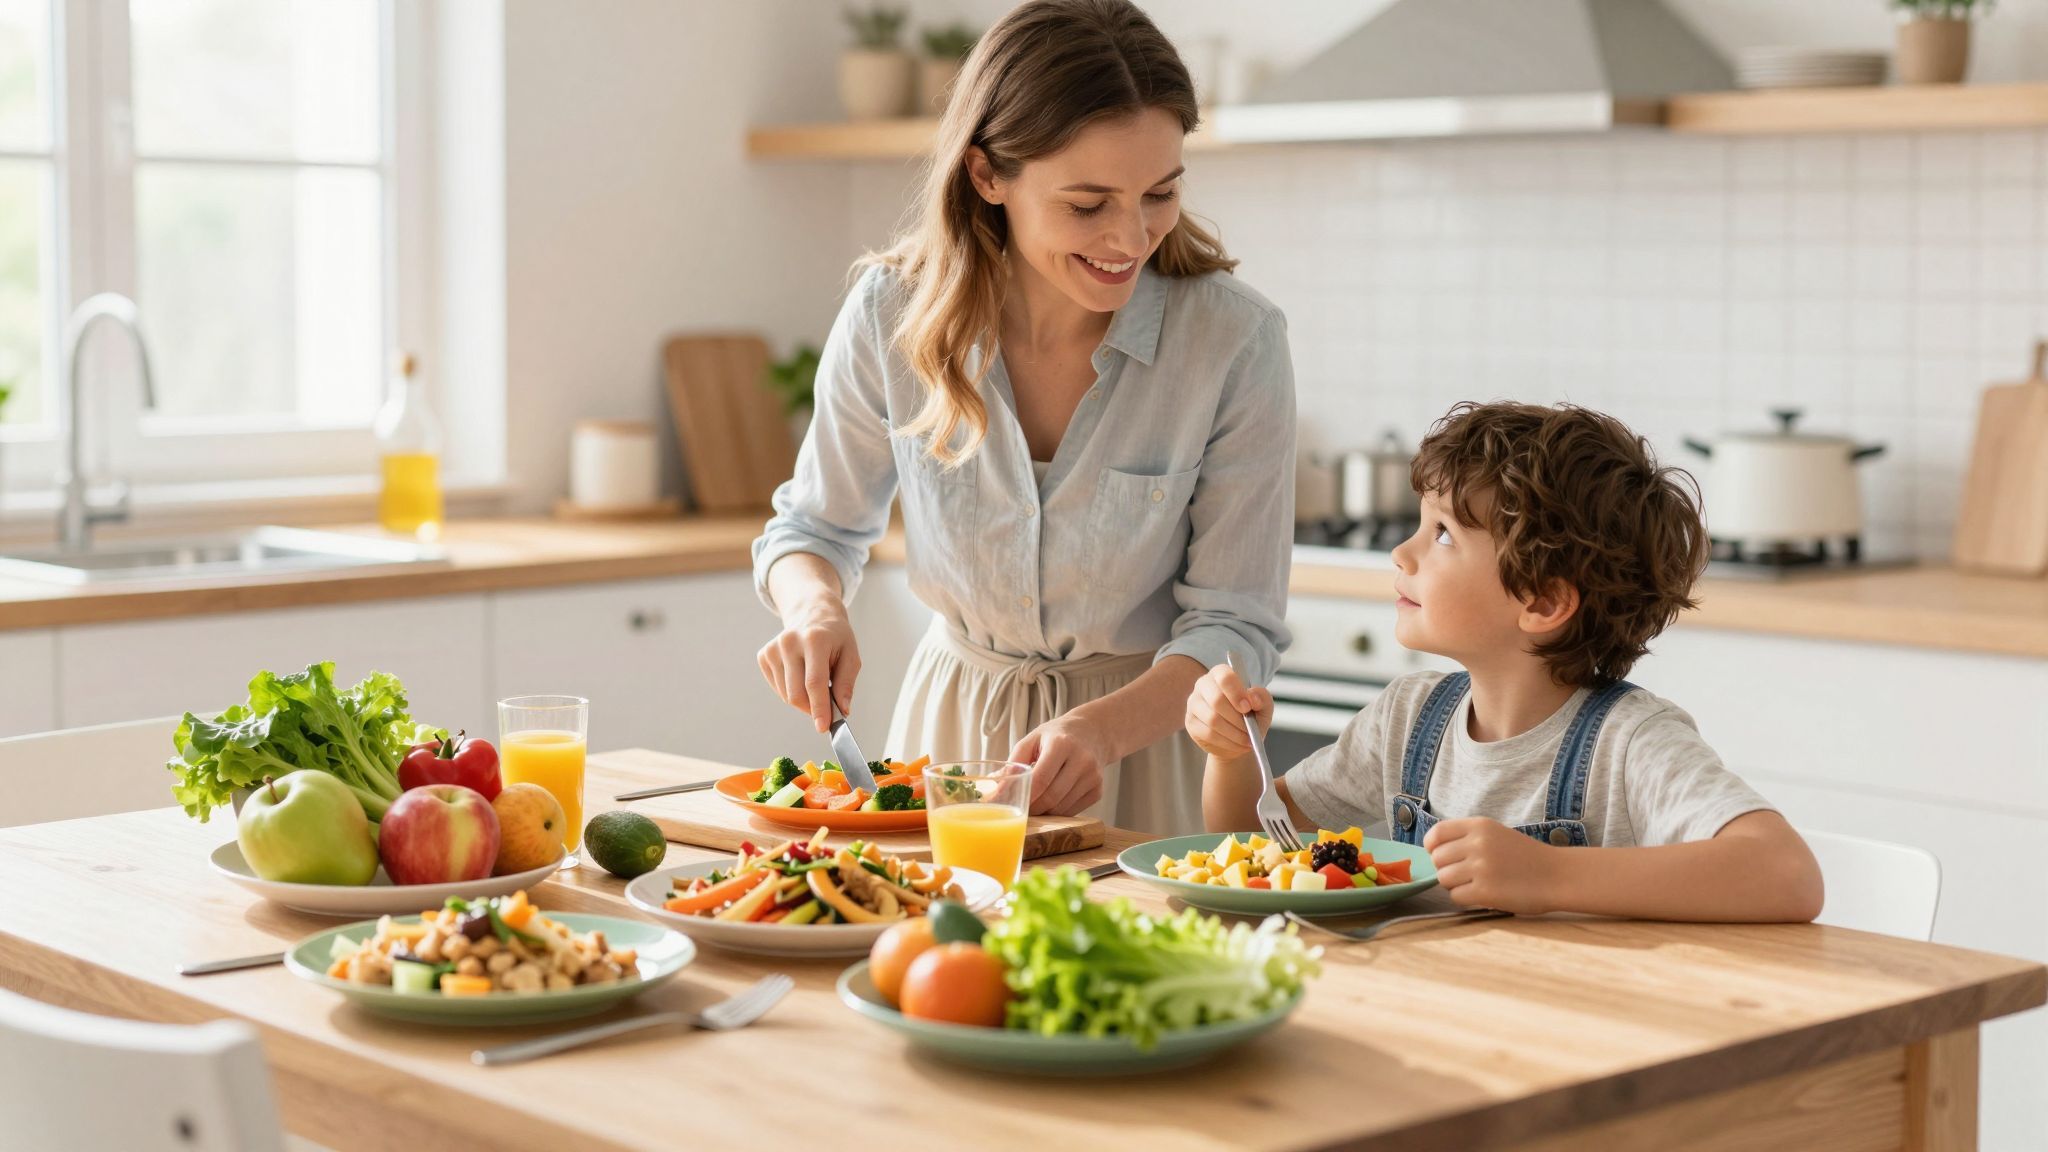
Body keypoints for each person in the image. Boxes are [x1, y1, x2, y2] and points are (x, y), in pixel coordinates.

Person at [750, 0, 1294, 834]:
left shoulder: (1233, 341)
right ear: (986, 175)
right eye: (1087, 204)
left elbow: (1235, 624)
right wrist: (815, 611)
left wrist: (1098, 730)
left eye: (1161, 193)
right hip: (951, 744)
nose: (1131, 236)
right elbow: (813, 531)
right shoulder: (890, 313)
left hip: (1146, 751)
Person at [1187, 401, 1823, 921]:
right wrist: (1234, 754)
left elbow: (1787, 875)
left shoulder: (1629, 742)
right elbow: (1252, 840)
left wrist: (1548, 873)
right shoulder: (1406, 718)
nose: (1401, 555)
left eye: (1442, 534)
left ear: (1543, 601)